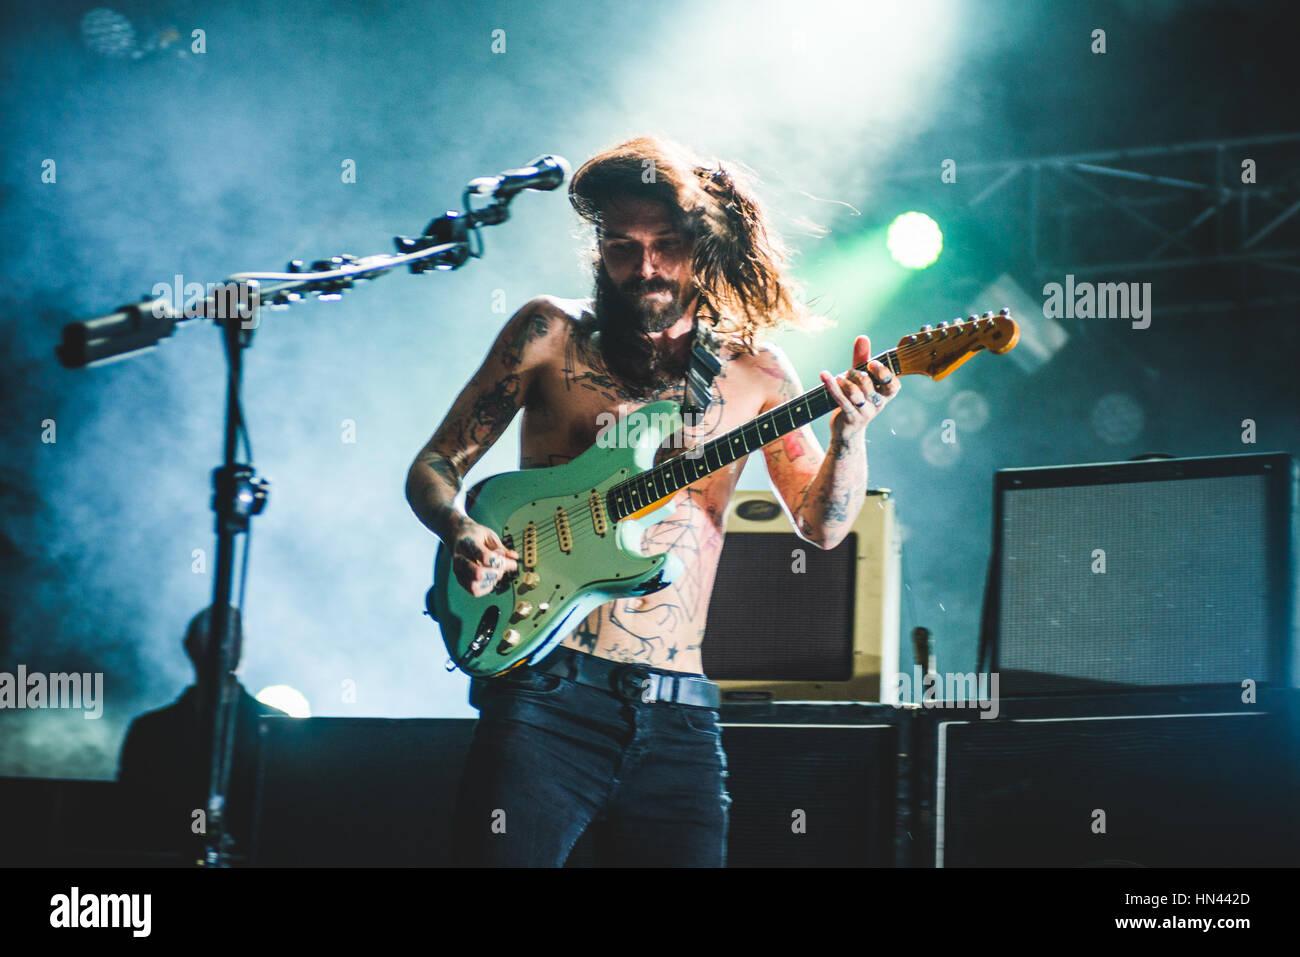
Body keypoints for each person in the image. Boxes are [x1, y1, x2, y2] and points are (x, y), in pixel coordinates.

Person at [406, 136, 900, 866]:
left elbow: (822, 526)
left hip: (681, 718)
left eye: (666, 245)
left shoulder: (756, 373)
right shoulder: (548, 333)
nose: (645, 267)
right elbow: (436, 463)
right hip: (546, 696)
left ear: (702, 246)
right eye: (621, 246)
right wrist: (461, 527)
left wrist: (851, 435)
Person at [118, 606, 285, 860]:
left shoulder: (277, 728)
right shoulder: (151, 730)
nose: (224, 643)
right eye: (215, 631)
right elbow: (131, 812)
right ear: (189, 645)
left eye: (232, 633)